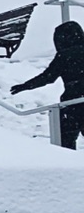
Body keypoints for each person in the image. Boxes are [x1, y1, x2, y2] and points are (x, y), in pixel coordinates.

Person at [12, 19, 84, 149]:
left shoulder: (64, 55)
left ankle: (68, 166)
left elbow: (48, 77)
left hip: (73, 103)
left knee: (65, 141)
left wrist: (25, 86)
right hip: (77, 100)